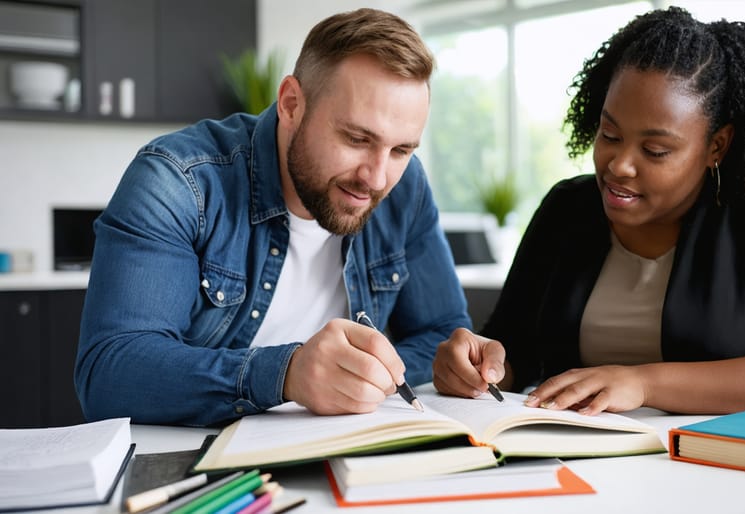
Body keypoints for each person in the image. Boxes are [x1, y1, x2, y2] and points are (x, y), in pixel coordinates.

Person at [432, 6, 745, 415]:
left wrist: (643, 383)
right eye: (610, 134)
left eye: (655, 151)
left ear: (717, 145)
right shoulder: (568, 208)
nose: (619, 165)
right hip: (574, 457)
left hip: (720, 465)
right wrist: (479, 367)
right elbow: (515, 351)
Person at [75, 8, 471, 426]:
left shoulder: (404, 188)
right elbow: (108, 374)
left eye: (401, 150)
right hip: (198, 462)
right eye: (357, 139)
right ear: (291, 104)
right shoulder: (178, 180)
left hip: (343, 452)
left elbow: (442, 334)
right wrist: (287, 374)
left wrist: (380, 374)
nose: (376, 177)